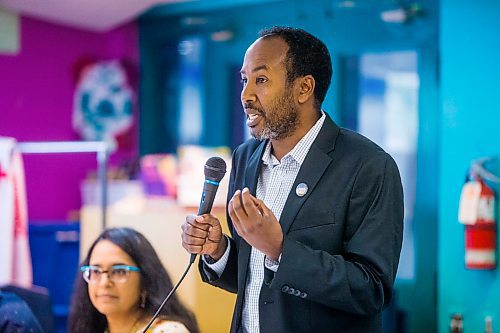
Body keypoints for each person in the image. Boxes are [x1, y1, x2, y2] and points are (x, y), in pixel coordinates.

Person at [181, 26, 404, 333]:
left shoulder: (368, 165)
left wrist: (280, 249)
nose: (245, 95)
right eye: (244, 80)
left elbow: (371, 290)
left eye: (260, 80)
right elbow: (256, 280)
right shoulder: (245, 157)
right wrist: (219, 250)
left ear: (303, 88)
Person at [69, 227, 199, 333]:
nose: (104, 283)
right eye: (95, 271)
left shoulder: (168, 331)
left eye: (119, 271)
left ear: (145, 279)